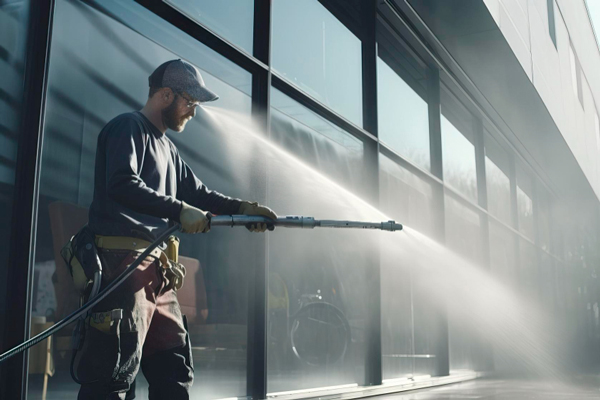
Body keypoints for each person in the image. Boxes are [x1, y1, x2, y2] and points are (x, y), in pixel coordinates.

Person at [74, 59, 277, 399]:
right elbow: (122, 183)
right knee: (113, 375)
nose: (193, 113)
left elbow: (199, 195)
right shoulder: (128, 127)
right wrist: (179, 209)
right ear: (165, 95)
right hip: (121, 267)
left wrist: (243, 209)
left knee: (174, 371)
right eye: (190, 103)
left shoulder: (168, 148)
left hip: (158, 275)